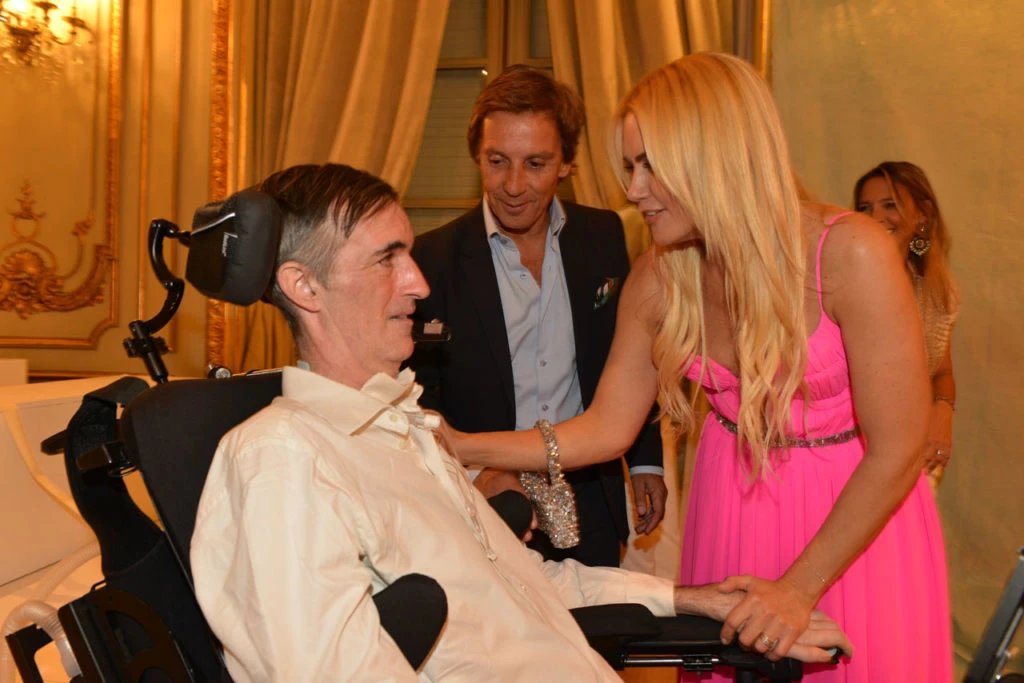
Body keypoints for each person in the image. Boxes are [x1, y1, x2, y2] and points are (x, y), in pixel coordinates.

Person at [189, 163, 851, 681]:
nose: (419, 282)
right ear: (303, 286)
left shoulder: (406, 431)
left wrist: (689, 598)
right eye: (386, 258)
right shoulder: (282, 458)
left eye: (409, 254)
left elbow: (527, 581)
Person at [449, 53, 952, 681]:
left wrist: (798, 589)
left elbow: (899, 446)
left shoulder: (851, 253)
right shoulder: (660, 276)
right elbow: (606, 427)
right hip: (733, 508)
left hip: (854, 527)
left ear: (714, 155)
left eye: (650, 165)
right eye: (630, 166)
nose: (633, 189)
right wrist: (462, 445)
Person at [408, 64, 667, 568]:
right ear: (476, 157)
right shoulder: (431, 258)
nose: (513, 184)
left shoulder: (604, 235)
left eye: (535, 163)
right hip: (484, 501)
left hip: (590, 493)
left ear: (567, 163)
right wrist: (477, 472)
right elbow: (416, 394)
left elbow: (633, 353)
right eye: (497, 161)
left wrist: (644, 461)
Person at [854, 162, 959, 485]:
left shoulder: (935, 292)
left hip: (916, 452)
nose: (875, 217)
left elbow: (941, 372)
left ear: (923, 214)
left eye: (890, 205)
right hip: (848, 451)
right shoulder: (840, 285)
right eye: (865, 208)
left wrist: (943, 413)